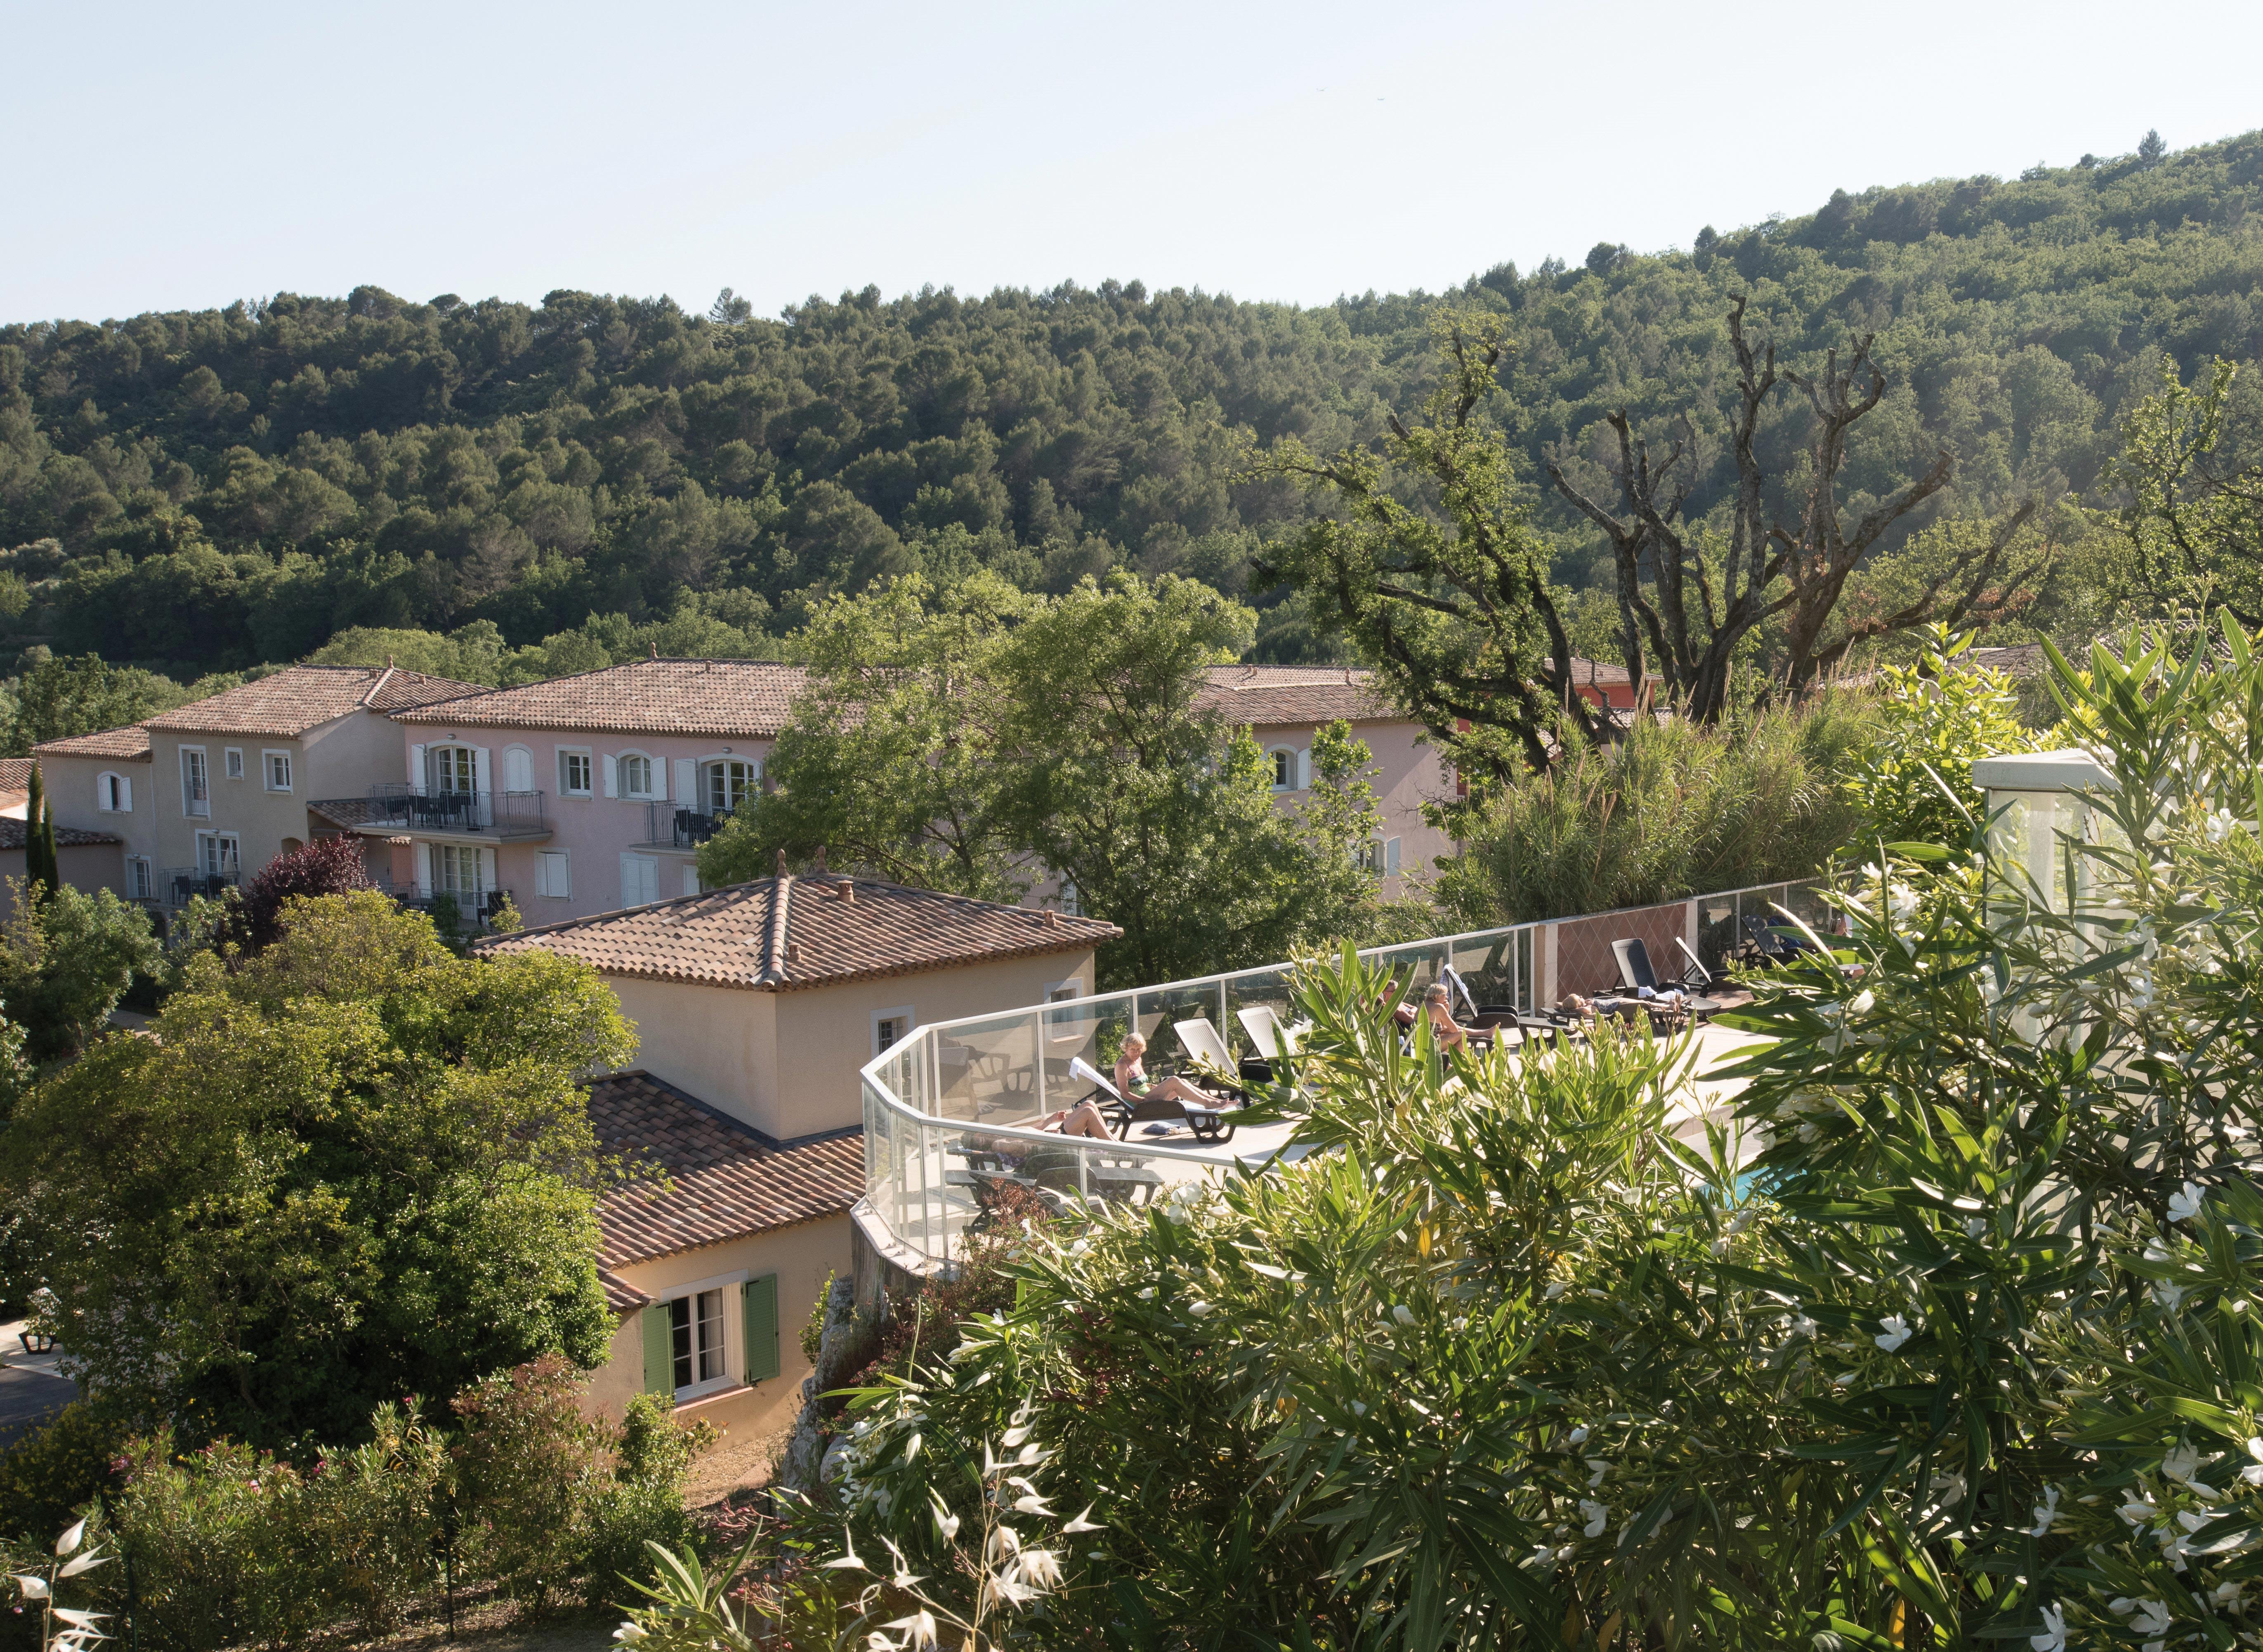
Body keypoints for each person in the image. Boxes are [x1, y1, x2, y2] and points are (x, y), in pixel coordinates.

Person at [1115, 1032, 1222, 1112]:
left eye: (1139, 1050)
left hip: (1148, 1097)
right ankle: (1208, 1103)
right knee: (1174, 1080)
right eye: (1133, 1049)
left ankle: (1214, 1100)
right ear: (1126, 1048)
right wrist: (1143, 1100)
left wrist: (1157, 1087)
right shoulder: (1122, 1066)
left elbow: (1141, 1083)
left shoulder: (1138, 1060)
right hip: (1139, 1104)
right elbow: (1125, 1094)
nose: (1136, 1053)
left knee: (1183, 1083)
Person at [1422, 982, 1484, 1053]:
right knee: (1461, 1034)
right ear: (1436, 996)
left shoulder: (1422, 1005)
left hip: (1420, 1044)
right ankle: (1455, 1062)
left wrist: (1446, 1011)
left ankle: (1449, 1062)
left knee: (1451, 1035)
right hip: (1430, 1045)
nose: (1446, 998)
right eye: (1444, 995)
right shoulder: (1439, 1007)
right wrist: (1446, 1011)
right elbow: (1454, 1029)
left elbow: (1442, 1028)